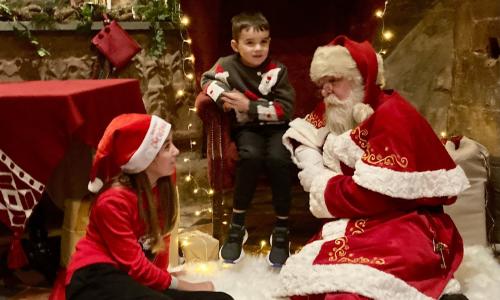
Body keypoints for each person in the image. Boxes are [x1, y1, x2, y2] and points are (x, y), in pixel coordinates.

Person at [276, 36, 471, 299]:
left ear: (361, 79)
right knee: (317, 285)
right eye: (322, 84)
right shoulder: (340, 105)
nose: (326, 90)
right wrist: (311, 166)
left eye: (333, 80)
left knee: (360, 287)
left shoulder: (393, 115)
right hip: (362, 220)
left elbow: (376, 196)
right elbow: (304, 134)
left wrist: (322, 183)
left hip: (409, 221)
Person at [65, 114, 233, 300]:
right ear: (147, 157)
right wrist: (186, 286)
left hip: (131, 277)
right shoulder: (113, 202)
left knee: (221, 299)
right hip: (94, 276)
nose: (176, 151)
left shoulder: (161, 187)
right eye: (167, 147)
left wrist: (165, 281)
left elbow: (156, 246)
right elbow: (135, 266)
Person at [200, 11, 295, 266]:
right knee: (250, 156)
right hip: (247, 130)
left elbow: (286, 109)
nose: (258, 48)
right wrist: (223, 97)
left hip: (277, 128)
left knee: (279, 158)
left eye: (263, 42)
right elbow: (205, 80)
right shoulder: (227, 65)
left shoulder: (277, 70)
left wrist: (248, 105)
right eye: (250, 43)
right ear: (236, 45)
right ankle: (237, 224)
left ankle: (282, 228)